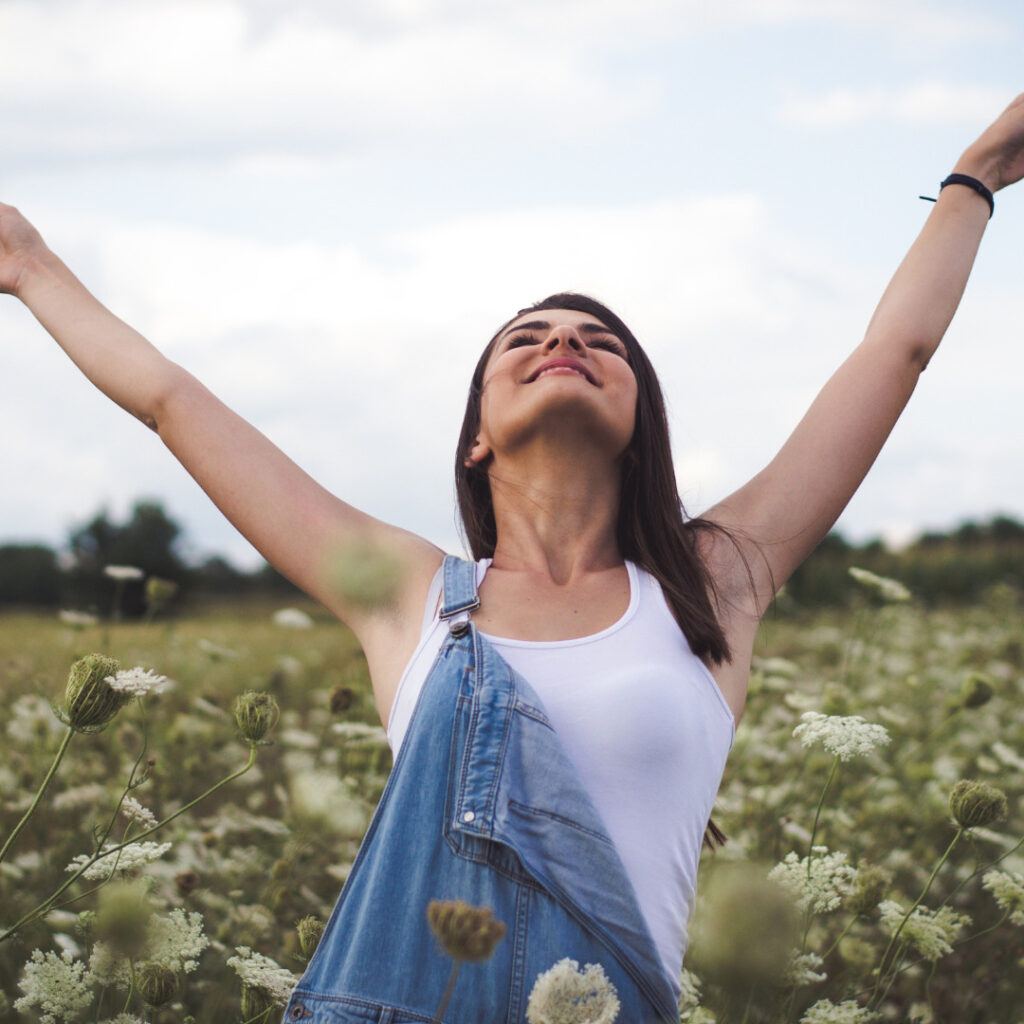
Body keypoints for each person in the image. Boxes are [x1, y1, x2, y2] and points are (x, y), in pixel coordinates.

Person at [2, 93, 1023, 1022]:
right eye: (525, 338)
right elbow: (172, 402)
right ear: (477, 434)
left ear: (638, 417)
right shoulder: (407, 596)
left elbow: (893, 351)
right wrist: (28, 263)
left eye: (600, 340)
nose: (564, 340)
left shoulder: (713, 584)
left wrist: (977, 173)